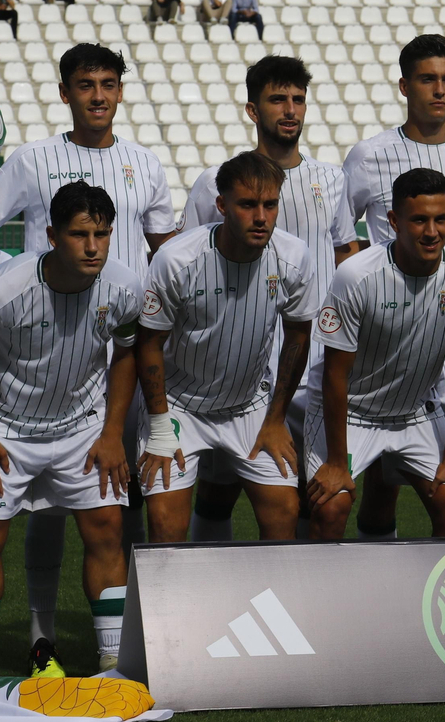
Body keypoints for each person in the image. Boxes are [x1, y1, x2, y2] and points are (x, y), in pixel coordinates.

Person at [0, 43, 177, 653]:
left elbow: (163, 253)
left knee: (116, 501)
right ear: (65, 92)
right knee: (46, 508)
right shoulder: (32, 160)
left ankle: (126, 637)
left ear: (121, 92)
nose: (97, 95)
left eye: (108, 84)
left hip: (120, 353)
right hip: (48, 357)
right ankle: (42, 636)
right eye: (85, 84)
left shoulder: (146, 165)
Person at [0, 181, 143, 689]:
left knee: (105, 532)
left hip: (82, 429)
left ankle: (111, 660)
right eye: (81, 235)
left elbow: (126, 353)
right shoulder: (1, 290)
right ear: (53, 235)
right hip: (4, 430)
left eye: (102, 233)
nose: (94, 246)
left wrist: (112, 432)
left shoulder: (123, 287)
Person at [179, 55, 360, 540]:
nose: (291, 110)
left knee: (313, 494)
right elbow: (188, 263)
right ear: (252, 111)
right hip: (238, 370)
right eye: (277, 99)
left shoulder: (331, 180)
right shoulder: (214, 183)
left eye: (298, 99)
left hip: (315, 364)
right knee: (217, 491)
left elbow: (346, 253)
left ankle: (301, 603)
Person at [345, 35, 445, 536]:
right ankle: (378, 578)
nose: (440, 90)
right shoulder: (368, 155)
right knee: (381, 483)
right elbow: (343, 236)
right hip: (392, 340)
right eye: (428, 79)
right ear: (404, 85)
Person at [136, 151, 318, 543]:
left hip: (250, 406)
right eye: (248, 205)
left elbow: (299, 336)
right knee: (166, 525)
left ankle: (269, 604)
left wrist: (275, 418)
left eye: (270, 205)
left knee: (285, 511)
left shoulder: (294, 258)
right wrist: (159, 426)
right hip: (179, 405)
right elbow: (149, 343)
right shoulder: (176, 260)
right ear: (221, 205)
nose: (261, 217)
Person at [306, 168, 445, 540]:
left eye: (441, 219)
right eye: (419, 220)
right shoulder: (356, 275)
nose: (431, 231)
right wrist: (334, 462)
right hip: (350, 414)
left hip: (414, 412)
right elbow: (334, 375)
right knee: (332, 505)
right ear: (393, 221)